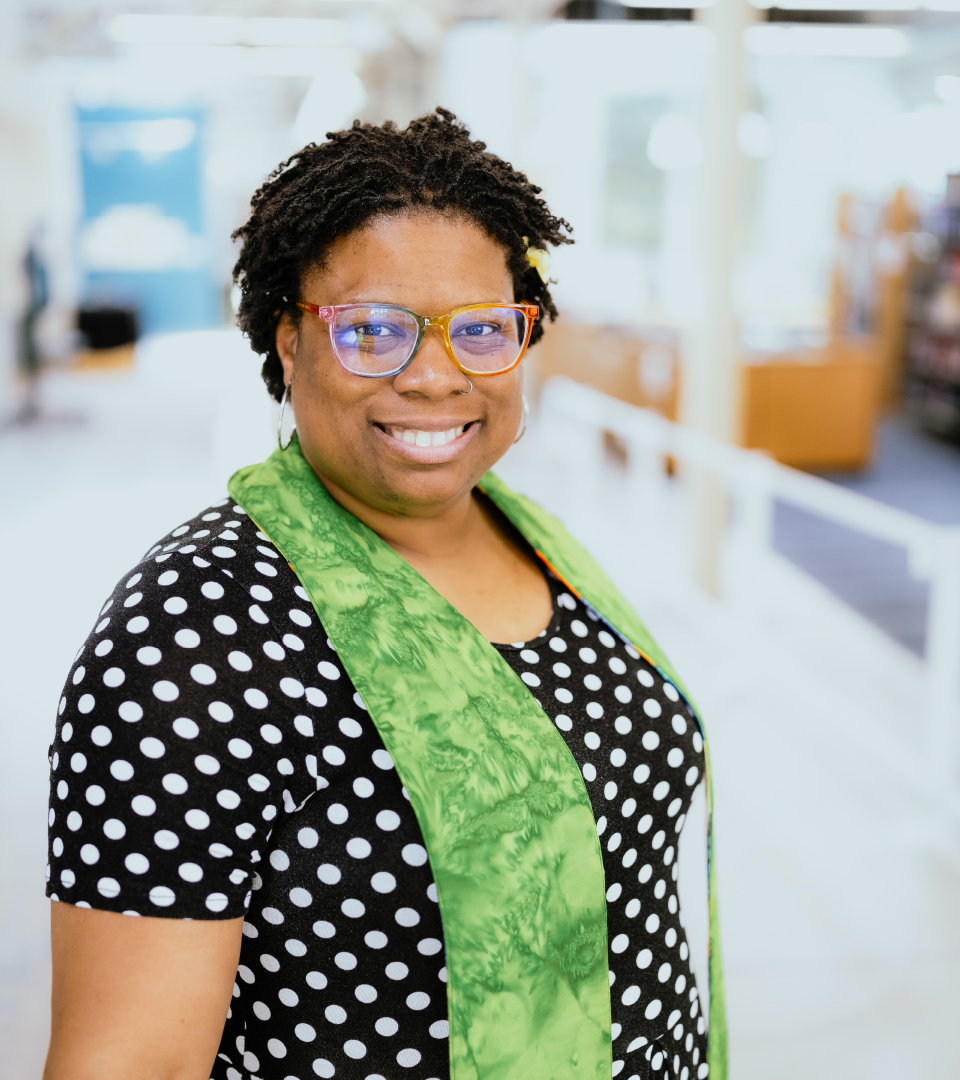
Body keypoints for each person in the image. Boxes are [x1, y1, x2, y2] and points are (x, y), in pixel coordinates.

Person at [43, 109, 725, 1080]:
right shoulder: (197, 634)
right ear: (289, 341)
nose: (437, 376)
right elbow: (127, 1063)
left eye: (483, 329)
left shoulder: (534, 537)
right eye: (373, 331)